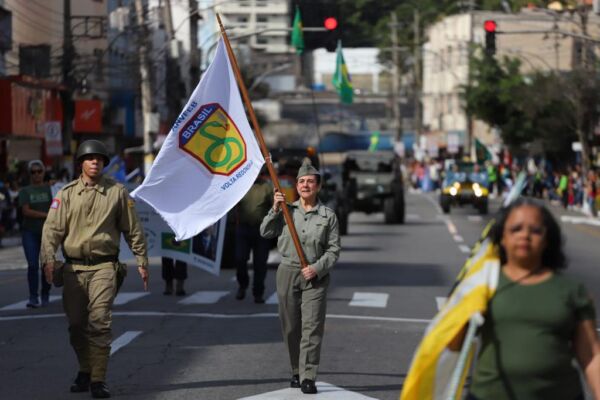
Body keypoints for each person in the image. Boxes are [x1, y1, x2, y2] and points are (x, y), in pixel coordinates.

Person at [41, 140, 149, 399]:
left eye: (99, 159)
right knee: (76, 325)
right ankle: (85, 369)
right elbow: (51, 230)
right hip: (73, 269)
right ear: (81, 163)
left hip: (104, 267)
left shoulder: (117, 192)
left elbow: (132, 229)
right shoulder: (65, 194)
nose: (95, 162)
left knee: (99, 322)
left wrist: (142, 261)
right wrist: (48, 259)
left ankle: (98, 380)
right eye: (90, 158)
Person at [465, 199, 600, 400]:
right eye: (516, 229)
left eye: (535, 230)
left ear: (547, 239)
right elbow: (453, 344)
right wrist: (459, 301)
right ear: (502, 237)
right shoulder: (483, 285)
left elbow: (591, 356)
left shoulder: (571, 290)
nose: (525, 236)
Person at [260, 159, 341, 394]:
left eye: (310, 182)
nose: (305, 185)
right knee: (290, 327)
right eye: (301, 182)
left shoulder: (328, 216)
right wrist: (275, 209)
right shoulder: (286, 210)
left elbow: (334, 250)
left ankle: (308, 376)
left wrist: (317, 268)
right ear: (296, 186)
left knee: (312, 326)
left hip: (315, 277)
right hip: (287, 272)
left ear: (318, 186)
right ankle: (296, 369)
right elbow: (265, 232)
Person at [234, 171, 273, 303]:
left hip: (261, 231)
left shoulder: (267, 187)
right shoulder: (240, 185)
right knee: (240, 259)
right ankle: (242, 284)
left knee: (260, 263)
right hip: (243, 229)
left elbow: (275, 207)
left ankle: (258, 292)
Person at [19, 160, 53, 308]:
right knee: (32, 265)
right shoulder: (25, 191)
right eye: (33, 172)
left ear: (44, 172)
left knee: (46, 265)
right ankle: (33, 297)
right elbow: (26, 211)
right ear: (29, 174)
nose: (37, 174)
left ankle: (45, 294)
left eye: (39, 171)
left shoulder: (50, 189)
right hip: (30, 232)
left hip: (47, 233)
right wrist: (46, 215)